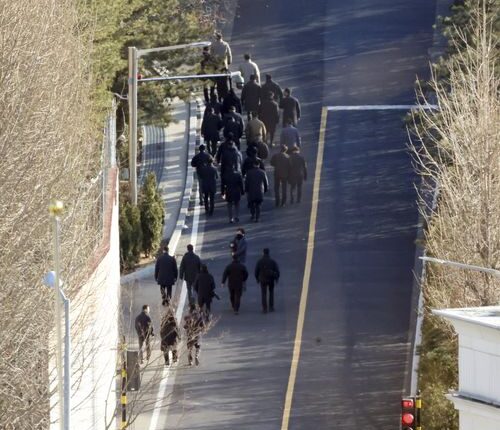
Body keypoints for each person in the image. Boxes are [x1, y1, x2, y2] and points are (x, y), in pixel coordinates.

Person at [254, 248, 280, 313]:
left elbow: (256, 271)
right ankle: (271, 307)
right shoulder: (272, 261)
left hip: (262, 279)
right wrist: (277, 278)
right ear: (268, 253)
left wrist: (257, 279)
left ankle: (264, 308)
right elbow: (277, 271)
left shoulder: (260, 261)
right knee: (271, 293)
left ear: (263, 253)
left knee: (263, 293)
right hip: (271, 279)